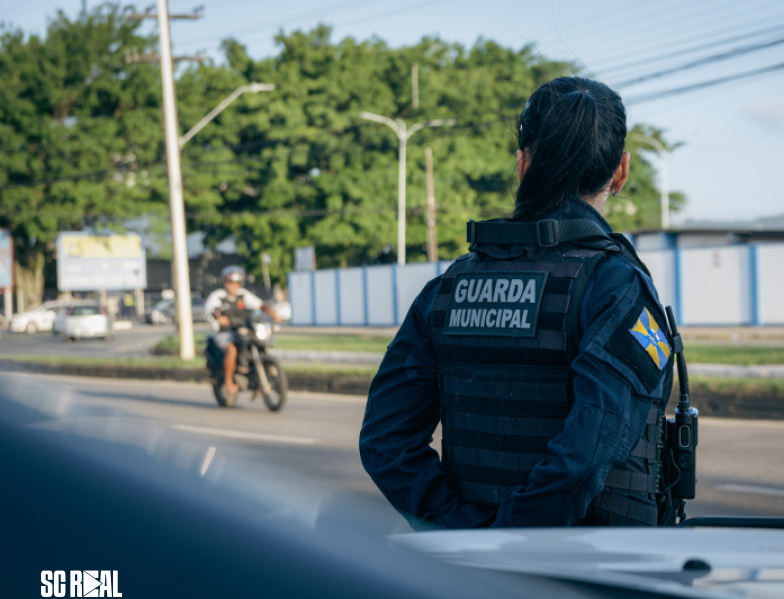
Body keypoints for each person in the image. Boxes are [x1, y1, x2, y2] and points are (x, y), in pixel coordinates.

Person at [359, 76, 677, 530]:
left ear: (523, 164)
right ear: (621, 171)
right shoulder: (615, 285)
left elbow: (384, 441)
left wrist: (461, 531)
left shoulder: (449, 287)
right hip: (592, 570)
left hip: (470, 572)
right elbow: (587, 454)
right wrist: (511, 537)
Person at [205, 266, 280, 398]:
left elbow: (260, 305)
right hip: (224, 333)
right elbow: (212, 310)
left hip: (243, 331)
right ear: (225, 282)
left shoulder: (243, 295)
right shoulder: (217, 296)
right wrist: (219, 318)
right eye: (230, 282)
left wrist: (272, 312)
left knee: (259, 342)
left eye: (236, 283)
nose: (233, 286)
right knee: (232, 348)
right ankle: (228, 382)